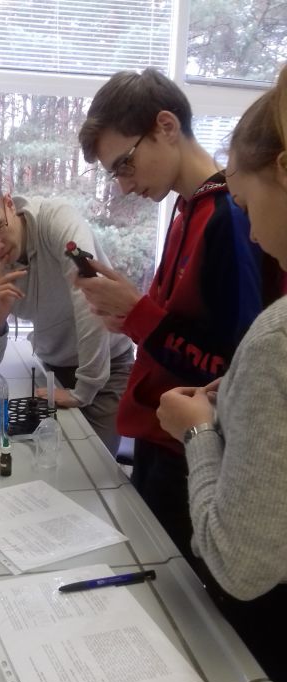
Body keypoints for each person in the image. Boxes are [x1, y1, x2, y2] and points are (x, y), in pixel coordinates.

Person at [77, 68, 282, 558]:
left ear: (165, 127)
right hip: (163, 437)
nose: (123, 185)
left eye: (125, 164)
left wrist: (139, 316)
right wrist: (131, 312)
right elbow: (184, 326)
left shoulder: (231, 217)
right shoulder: (187, 207)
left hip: (194, 453)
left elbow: (236, 367)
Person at [156, 63, 287, 682]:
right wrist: (239, 395)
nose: (252, 229)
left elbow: (239, 563)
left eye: (250, 203)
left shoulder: (275, 340)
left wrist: (200, 432)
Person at [0, 171, 134, 455]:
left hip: (107, 367)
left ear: (9, 203)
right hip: (52, 371)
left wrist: (84, 389)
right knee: (51, 463)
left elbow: (91, 302)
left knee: (94, 466)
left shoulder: (57, 221)